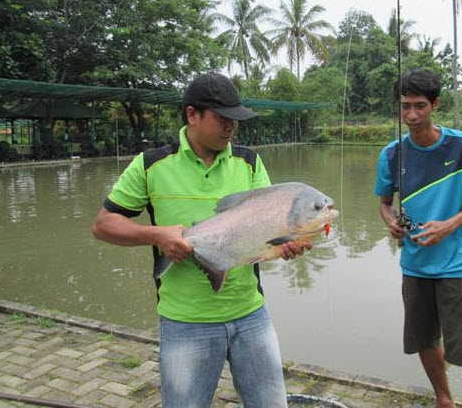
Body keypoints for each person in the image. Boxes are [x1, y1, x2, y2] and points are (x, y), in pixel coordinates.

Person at [92, 72, 309, 408]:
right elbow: (104, 225)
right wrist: (157, 235)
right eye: (223, 119)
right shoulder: (151, 165)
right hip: (185, 322)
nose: (231, 128)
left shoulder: (249, 162)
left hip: (250, 314)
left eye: (236, 121)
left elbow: (271, 231)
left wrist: (288, 242)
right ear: (193, 114)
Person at [375, 70, 462, 408]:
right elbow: (384, 204)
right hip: (415, 265)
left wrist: (448, 226)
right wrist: (392, 222)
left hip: (458, 264)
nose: (411, 116)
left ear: (435, 104)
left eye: (419, 106)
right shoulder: (391, 154)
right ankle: (444, 399)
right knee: (424, 339)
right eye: (405, 107)